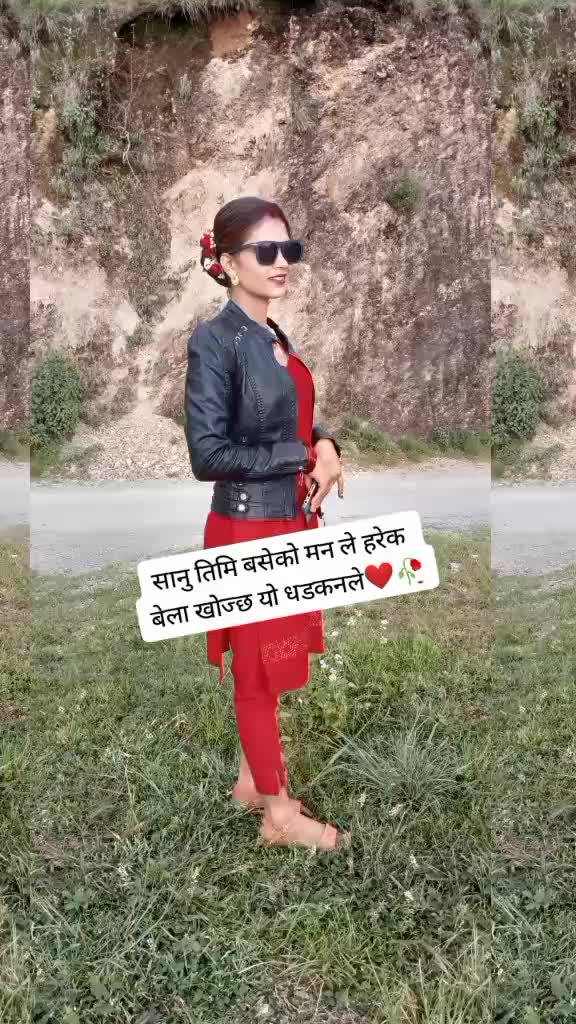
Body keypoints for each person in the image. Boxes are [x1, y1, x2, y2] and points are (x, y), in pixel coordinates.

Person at [185, 196, 350, 851]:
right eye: (266, 251)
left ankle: (253, 781)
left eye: (290, 249)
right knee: (256, 672)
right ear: (228, 262)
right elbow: (208, 454)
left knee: (272, 660)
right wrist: (298, 457)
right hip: (247, 529)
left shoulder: (274, 335)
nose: (283, 262)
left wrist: (326, 442)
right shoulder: (214, 341)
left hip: (289, 523)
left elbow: (296, 412)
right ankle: (279, 817)